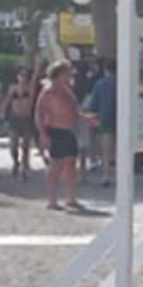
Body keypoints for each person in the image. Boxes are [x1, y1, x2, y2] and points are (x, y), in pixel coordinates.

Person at [35, 60, 84, 212]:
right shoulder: (48, 91)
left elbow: (75, 111)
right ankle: (52, 200)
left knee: (70, 165)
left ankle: (71, 198)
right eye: (67, 72)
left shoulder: (67, 90)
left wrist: (86, 118)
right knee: (55, 166)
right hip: (55, 130)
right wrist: (43, 134)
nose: (70, 75)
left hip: (69, 131)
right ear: (59, 74)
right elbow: (39, 114)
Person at [83, 59, 118, 187]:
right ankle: (120, 173)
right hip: (121, 116)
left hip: (105, 117)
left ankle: (106, 175)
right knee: (120, 146)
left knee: (106, 148)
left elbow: (93, 104)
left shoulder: (100, 84)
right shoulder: (123, 82)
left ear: (105, 69)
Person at [3, 67, 38, 181]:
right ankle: (16, 162)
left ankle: (23, 169)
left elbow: (35, 76)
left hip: (26, 118)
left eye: (25, 76)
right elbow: (7, 100)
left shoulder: (30, 88)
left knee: (25, 146)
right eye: (21, 75)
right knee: (13, 145)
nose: (23, 78)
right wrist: (3, 111)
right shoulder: (13, 88)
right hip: (14, 118)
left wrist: (37, 65)